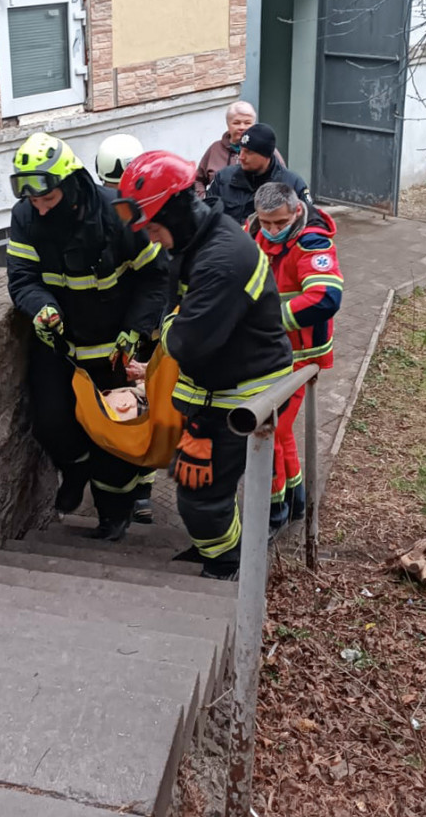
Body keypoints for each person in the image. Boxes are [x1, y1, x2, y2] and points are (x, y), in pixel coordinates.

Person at [115, 151, 293, 579]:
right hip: (217, 391)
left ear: (175, 211)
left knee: (199, 495)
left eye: (155, 228)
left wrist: (175, 320)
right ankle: (218, 548)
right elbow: (180, 318)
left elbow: (185, 343)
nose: (154, 239)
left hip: (242, 399)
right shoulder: (199, 242)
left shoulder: (221, 260)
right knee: (199, 487)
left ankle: (230, 565)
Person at [6, 132, 170, 540]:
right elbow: (22, 277)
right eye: (33, 201)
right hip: (60, 346)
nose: (40, 210)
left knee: (115, 438)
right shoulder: (25, 217)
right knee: (50, 422)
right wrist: (39, 306)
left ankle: (114, 517)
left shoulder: (120, 214)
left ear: (71, 182)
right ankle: (75, 470)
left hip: (115, 347)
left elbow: (155, 277)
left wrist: (135, 330)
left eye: (47, 199)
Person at [248, 182, 343, 531]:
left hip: (300, 356)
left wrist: (269, 319)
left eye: (279, 223)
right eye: (266, 222)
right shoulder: (254, 231)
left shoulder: (312, 242)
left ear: (296, 211)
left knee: (268, 431)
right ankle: (295, 500)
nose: (272, 230)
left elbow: (325, 297)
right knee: (283, 431)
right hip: (270, 352)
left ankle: (272, 512)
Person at [95, 132, 157, 523]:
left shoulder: (154, 211)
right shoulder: (103, 215)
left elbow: (159, 275)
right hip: (121, 328)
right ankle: (128, 487)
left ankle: (144, 487)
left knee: (147, 403)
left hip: (147, 325)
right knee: (126, 405)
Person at [205, 122, 311, 224]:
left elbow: (311, 220)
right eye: (241, 150)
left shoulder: (293, 184)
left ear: (266, 156)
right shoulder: (223, 178)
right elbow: (207, 216)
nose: (241, 157)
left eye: (249, 152)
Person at [194, 101, 285, 197]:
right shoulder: (215, 149)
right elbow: (197, 180)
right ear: (228, 125)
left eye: (247, 123)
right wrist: (204, 199)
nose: (242, 127)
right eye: (236, 123)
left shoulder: (266, 151)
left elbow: (283, 179)